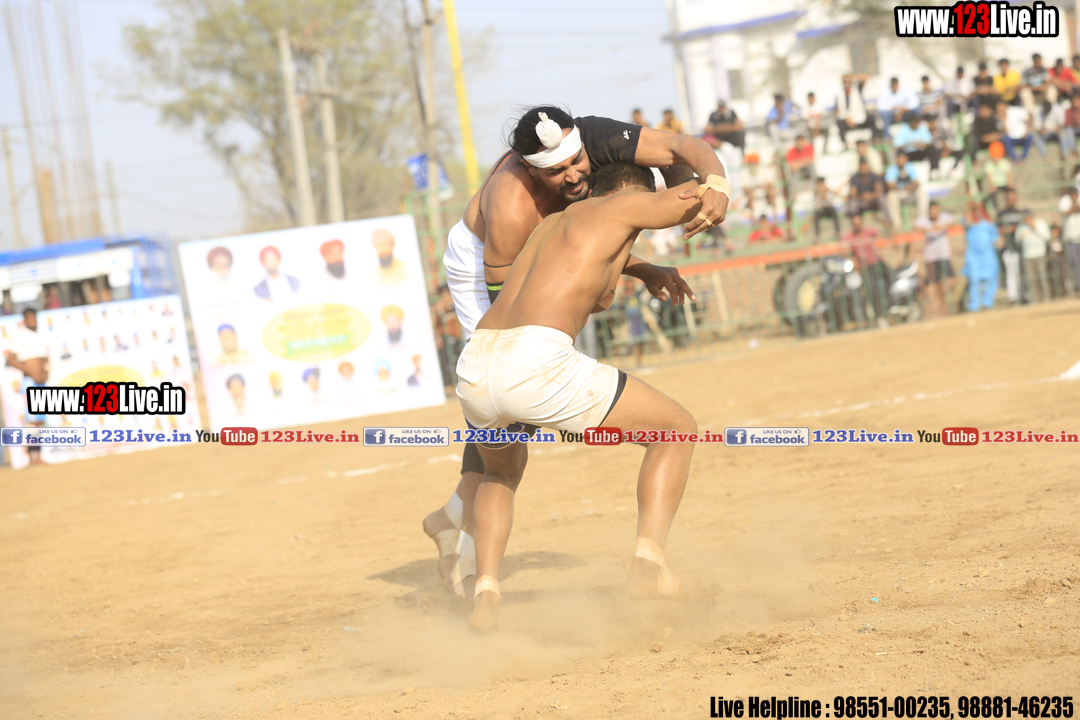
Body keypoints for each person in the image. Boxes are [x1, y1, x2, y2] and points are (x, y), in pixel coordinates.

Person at [431, 105, 726, 598]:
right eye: (556, 172)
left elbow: (676, 150)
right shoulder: (514, 204)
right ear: (530, 170)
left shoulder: (584, 167)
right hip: (486, 275)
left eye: (575, 164)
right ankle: (647, 568)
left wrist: (639, 266)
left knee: (503, 457)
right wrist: (716, 185)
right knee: (665, 428)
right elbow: (523, 297)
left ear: (583, 148)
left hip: (480, 360)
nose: (570, 176)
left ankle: (478, 572)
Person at [3, 308, 49, 464]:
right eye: (30, 318)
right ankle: (31, 455)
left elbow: (44, 358)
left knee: (40, 420)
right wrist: (31, 372)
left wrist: (45, 372)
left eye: (34, 317)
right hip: (30, 381)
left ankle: (39, 455)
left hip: (41, 382)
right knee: (32, 419)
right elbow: (11, 359)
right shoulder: (19, 336)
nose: (33, 320)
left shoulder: (39, 336)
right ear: (24, 320)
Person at [841, 213, 889, 326]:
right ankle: (879, 316)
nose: (857, 225)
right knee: (873, 291)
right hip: (865, 268)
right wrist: (852, 258)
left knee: (889, 284)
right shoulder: (850, 236)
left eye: (859, 223)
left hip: (877, 263)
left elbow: (884, 234)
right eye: (855, 224)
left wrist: (878, 219)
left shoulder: (869, 231)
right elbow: (841, 249)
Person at [914, 201, 955, 316]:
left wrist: (942, 227)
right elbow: (916, 228)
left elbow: (954, 223)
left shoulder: (945, 218)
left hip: (944, 254)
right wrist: (929, 229)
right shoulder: (923, 220)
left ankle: (938, 302)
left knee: (951, 281)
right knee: (936, 284)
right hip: (930, 257)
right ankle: (942, 307)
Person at [962, 202, 1000, 311]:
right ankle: (975, 305)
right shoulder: (969, 225)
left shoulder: (987, 224)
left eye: (978, 209)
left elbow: (996, 238)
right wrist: (971, 207)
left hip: (987, 255)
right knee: (974, 280)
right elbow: (965, 220)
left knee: (990, 279)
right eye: (974, 210)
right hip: (973, 256)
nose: (976, 212)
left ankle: (988, 303)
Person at [995, 188, 1027, 304]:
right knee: (1011, 273)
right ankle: (1013, 297)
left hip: (1020, 248)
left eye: (1013, 197)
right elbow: (999, 230)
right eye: (1009, 197)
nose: (1011, 199)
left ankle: (1023, 295)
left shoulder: (1020, 212)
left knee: (1021, 273)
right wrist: (1011, 229)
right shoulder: (1002, 214)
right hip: (1008, 248)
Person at [884, 150, 928, 229]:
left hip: (909, 194)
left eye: (903, 158)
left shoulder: (910, 167)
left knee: (921, 193)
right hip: (899, 194)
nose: (901, 160)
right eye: (899, 158)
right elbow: (890, 185)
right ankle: (897, 224)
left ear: (906, 159)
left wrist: (912, 187)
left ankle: (922, 221)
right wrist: (903, 188)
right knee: (891, 195)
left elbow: (917, 183)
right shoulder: (892, 169)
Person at [1016, 211, 1051, 303]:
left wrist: (1034, 228)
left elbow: (1047, 237)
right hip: (1028, 254)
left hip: (1040, 253)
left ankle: (1046, 298)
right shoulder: (1021, 226)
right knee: (1031, 279)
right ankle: (1035, 299)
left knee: (1042, 277)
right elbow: (1017, 239)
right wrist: (1021, 236)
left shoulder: (1040, 223)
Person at [835, 73, 874, 147]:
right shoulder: (839, 95)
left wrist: (852, 77)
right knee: (839, 122)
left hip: (859, 118)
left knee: (872, 117)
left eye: (848, 81)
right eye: (845, 82)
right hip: (847, 121)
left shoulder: (856, 90)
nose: (846, 83)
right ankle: (844, 144)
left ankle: (876, 139)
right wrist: (847, 118)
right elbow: (838, 111)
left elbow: (865, 77)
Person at [848, 158, 889, 226]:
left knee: (882, 199)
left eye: (864, 166)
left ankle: (889, 221)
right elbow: (853, 193)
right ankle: (856, 225)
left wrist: (871, 196)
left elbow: (880, 190)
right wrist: (862, 196)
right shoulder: (855, 178)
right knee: (852, 204)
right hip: (861, 201)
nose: (863, 168)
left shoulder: (873, 176)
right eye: (862, 166)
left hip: (874, 201)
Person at [1058, 186, 1080, 293]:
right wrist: (1074, 208)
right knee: (1075, 264)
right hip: (1071, 239)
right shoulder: (1065, 201)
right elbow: (1065, 211)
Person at [981, 141, 1013, 210]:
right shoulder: (988, 164)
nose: (996, 159)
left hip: (1005, 183)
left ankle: (1011, 207)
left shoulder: (1004, 162)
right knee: (992, 193)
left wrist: (1010, 183)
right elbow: (989, 177)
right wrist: (992, 185)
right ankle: (996, 209)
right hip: (995, 185)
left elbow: (1008, 175)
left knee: (1011, 191)